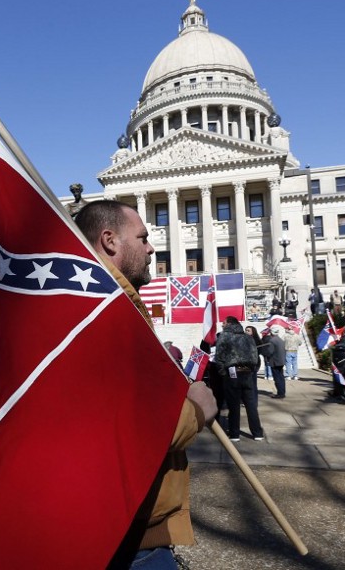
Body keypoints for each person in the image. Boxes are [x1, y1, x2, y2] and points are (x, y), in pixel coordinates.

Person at [74, 200, 217, 568]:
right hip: (128, 538)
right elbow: (126, 431)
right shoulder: (103, 314)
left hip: (128, 528)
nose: (152, 248)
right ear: (109, 240)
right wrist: (197, 410)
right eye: (143, 237)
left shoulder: (117, 308)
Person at [214, 316, 264, 442]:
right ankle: (257, 433)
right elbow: (255, 356)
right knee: (251, 404)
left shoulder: (224, 336)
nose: (222, 325)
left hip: (232, 373)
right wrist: (252, 370)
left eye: (224, 323)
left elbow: (219, 357)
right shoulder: (248, 337)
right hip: (247, 372)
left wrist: (223, 372)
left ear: (229, 323)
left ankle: (235, 433)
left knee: (234, 405)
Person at [265, 325, 286, 399]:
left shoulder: (272, 341)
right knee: (281, 377)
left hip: (275, 362)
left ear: (271, 333)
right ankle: (282, 392)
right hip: (281, 361)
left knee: (277, 378)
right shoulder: (280, 340)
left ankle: (280, 393)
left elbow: (270, 352)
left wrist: (265, 353)